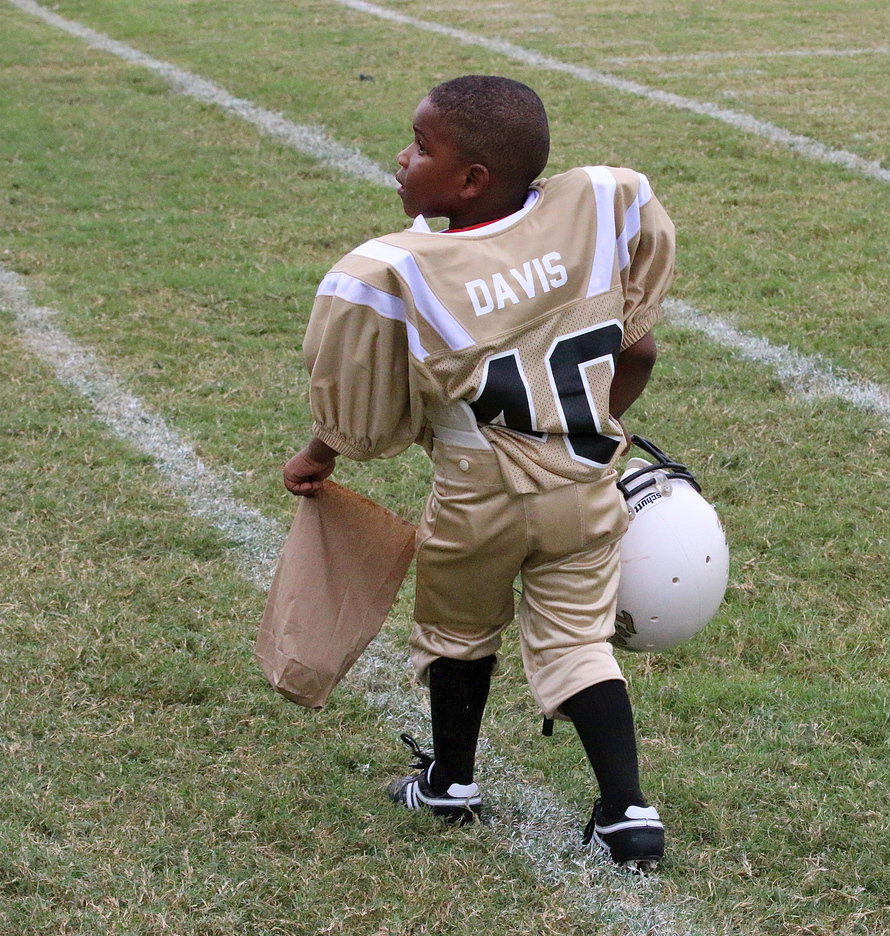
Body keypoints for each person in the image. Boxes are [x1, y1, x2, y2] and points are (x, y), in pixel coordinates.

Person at [282, 75, 675, 870]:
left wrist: (320, 452)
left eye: (421, 147)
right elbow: (638, 349)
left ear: (470, 180)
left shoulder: (397, 268)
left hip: (477, 489)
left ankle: (451, 782)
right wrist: (593, 420)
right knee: (577, 642)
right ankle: (629, 812)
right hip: (585, 476)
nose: (401, 158)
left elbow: (361, 421)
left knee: (458, 633)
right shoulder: (597, 210)